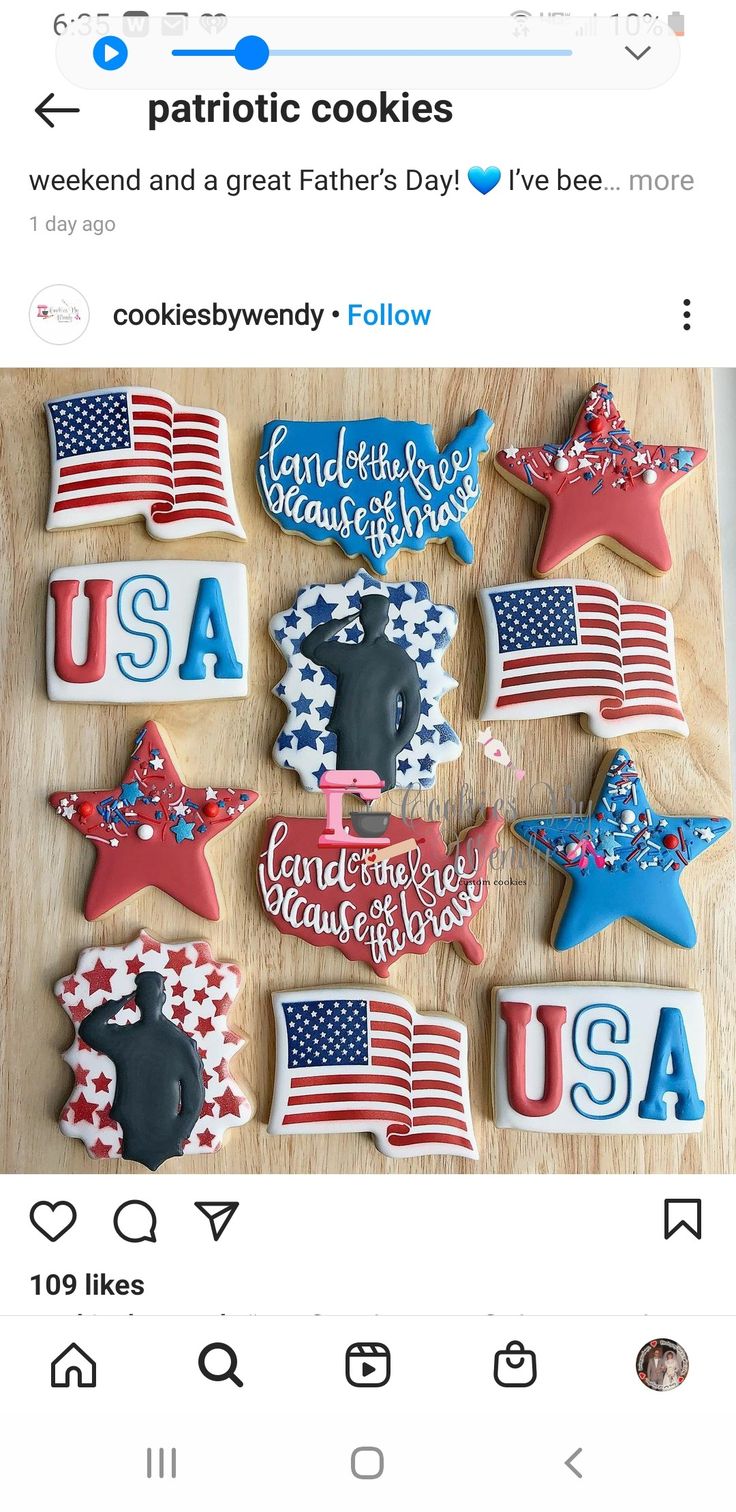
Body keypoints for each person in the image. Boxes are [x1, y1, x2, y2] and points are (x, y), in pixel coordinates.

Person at [80, 971, 204, 1170]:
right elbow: (89, 1031)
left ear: (162, 998)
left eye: (152, 994)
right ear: (137, 1000)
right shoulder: (126, 1039)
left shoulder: (179, 1044)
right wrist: (119, 1002)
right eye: (142, 994)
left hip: (166, 1130)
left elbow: (194, 1094)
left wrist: (181, 1131)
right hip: (132, 1127)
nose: (147, 1000)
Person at [300, 592, 421, 790]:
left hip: (381, 739)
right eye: (367, 616)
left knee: (374, 780)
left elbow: (412, 707)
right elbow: (309, 648)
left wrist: (398, 744)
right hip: (351, 735)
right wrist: (343, 620)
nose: (370, 620)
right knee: (350, 780)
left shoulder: (397, 659)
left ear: (384, 619)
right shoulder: (351, 655)